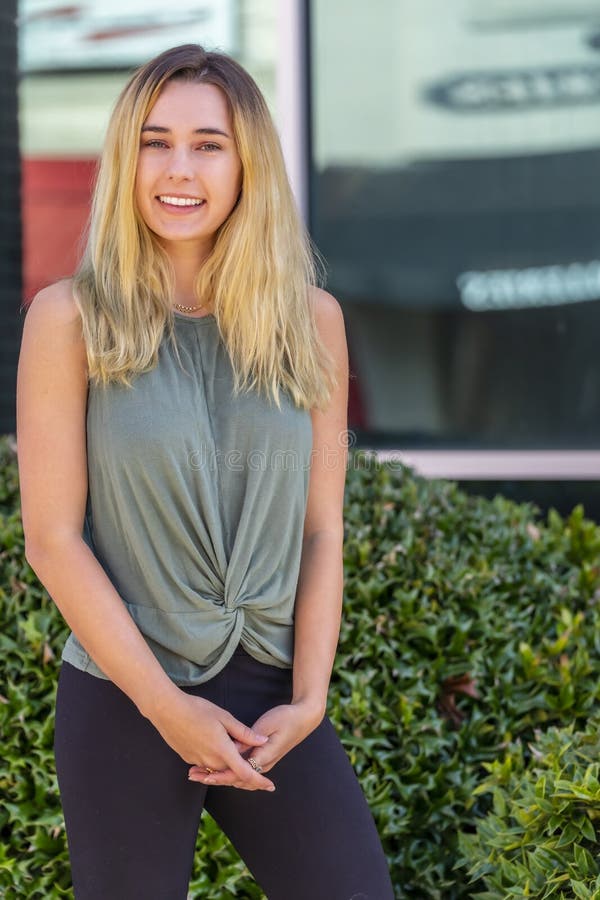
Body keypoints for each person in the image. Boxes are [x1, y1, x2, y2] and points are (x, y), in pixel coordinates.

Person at [16, 44, 394, 900]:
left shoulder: (312, 321)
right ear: (126, 157)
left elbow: (322, 527)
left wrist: (310, 698)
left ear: (246, 162)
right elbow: (52, 539)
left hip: (274, 701)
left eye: (207, 144)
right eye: (155, 142)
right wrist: (166, 707)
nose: (178, 169)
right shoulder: (69, 319)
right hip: (124, 691)